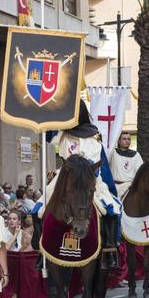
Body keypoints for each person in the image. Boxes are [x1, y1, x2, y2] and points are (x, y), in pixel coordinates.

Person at [38, 100, 121, 269]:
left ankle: (109, 249)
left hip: (88, 177)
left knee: (111, 209)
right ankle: (41, 251)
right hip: (64, 177)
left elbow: (95, 158)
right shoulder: (63, 134)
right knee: (38, 208)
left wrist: (83, 170)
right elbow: (49, 138)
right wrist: (49, 117)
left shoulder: (93, 135)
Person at [109, 131, 144, 199]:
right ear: (119, 141)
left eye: (128, 139)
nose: (127, 141)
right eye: (124, 139)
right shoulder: (113, 153)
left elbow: (141, 171)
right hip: (115, 187)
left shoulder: (136, 155)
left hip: (130, 187)